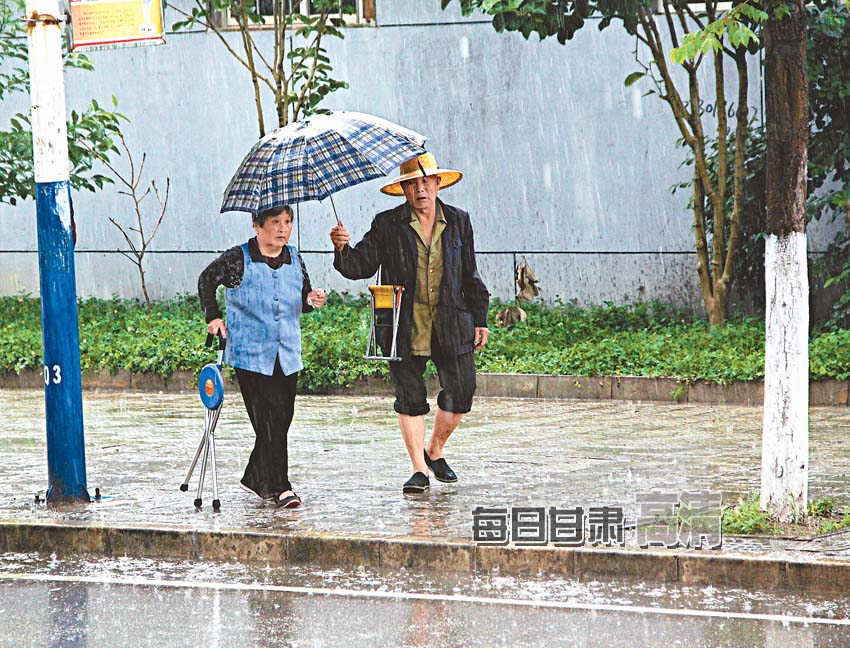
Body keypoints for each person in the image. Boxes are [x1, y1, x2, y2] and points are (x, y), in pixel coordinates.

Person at [329, 153, 490, 494]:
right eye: (411, 184)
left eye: (424, 182)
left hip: (451, 321)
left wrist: (481, 319)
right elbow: (360, 266)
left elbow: (469, 273)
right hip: (402, 323)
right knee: (410, 396)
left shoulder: (459, 221)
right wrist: (342, 249)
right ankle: (419, 468)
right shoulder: (387, 224)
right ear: (402, 189)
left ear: (437, 183)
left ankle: (434, 450)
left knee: (462, 391)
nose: (419, 190)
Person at [198, 204, 326, 508]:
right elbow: (206, 281)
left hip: (287, 352)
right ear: (257, 225)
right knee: (269, 421)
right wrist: (213, 317)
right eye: (275, 222)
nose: (283, 229)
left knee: (282, 419)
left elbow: (301, 298)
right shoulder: (237, 258)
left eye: (287, 222)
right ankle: (282, 487)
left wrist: (311, 299)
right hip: (250, 354)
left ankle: (255, 478)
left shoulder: (295, 257)